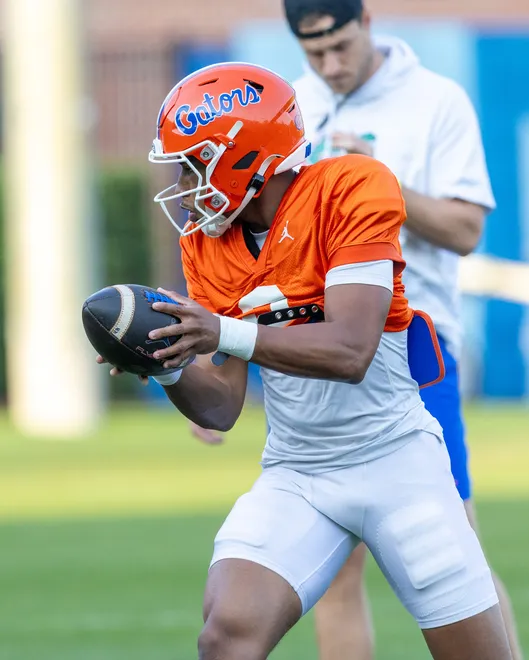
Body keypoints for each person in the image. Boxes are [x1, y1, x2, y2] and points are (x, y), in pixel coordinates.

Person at [97, 61, 513, 660]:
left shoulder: (352, 189)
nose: (186, 184)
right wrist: (166, 363)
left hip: (397, 460)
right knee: (226, 634)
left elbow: (350, 350)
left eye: (194, 163)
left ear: (245, 157)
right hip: (300, 472)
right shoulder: (208, 243)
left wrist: (225, 330)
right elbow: (221, 407)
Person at [275, 1, 523, 658]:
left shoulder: (434, 101)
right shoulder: (292, 105)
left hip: (410, 342)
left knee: (451, 554)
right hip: (318, 343)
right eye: (312, 53)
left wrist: (378, 183)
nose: (329, 65)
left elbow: (467, 230)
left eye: (339, 47)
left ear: (365, 23)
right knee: (331, 565)